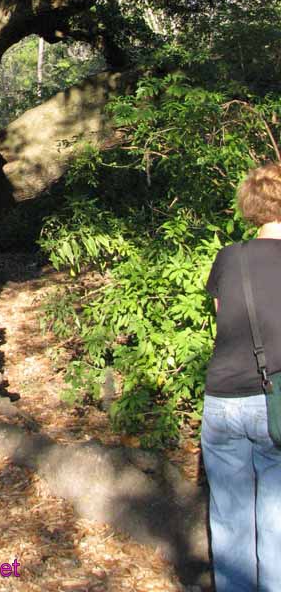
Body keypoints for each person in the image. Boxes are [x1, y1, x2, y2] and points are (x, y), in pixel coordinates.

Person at [201, 161, 281, 592]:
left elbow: (223, 321)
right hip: (276, 403)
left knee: (229, 520)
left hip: (223, 400)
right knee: (278, 520)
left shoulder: (229, 258)